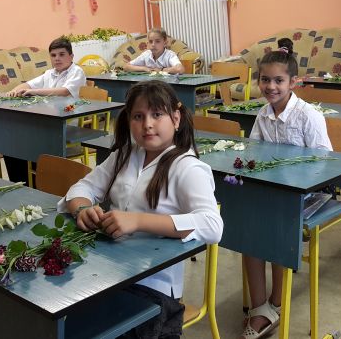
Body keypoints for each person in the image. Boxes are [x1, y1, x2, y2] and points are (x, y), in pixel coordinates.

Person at [60, 80, 223, 339]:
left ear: (176, 118)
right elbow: (83, 188)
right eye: (138, 116)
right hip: (108, 271)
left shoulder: (187, 167)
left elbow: (212, 225)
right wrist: (83, 210)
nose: (147, 124)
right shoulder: (125, 155)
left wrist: (137, 221)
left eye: (157, 114)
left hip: (153, 287)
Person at [243, 38, 332, 339]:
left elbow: (325, 162)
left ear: (293, 82)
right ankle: (259, 306)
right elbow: (254, 151)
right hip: (274, 189)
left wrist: (293, 176)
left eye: (278, 80)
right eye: (265, 80)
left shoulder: (308, 115)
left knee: (275, 226)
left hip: (308, 193)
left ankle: (277, 303)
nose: (271, 87)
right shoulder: (262, 114)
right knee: (248, 227)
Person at [3, 37, 86, 184]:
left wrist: (34, 92)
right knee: (11, 144)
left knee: (30, 143)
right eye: (53, 55)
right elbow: (28, 84)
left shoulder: (77, 72)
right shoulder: (49, 73)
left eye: (62, 54)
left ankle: (38, 183)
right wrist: (13, 91)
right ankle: (24, 184)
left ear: (71, 56)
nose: (57, 58)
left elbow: (64, 91)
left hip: (66, 124)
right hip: (46, 121)